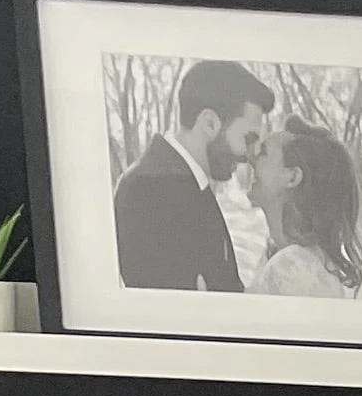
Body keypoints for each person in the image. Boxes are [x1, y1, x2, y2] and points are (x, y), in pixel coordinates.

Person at [112, 59, 269, 293]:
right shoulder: (148, 190)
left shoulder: (185, 183)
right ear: (209, 123)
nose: (250, 154)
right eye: (248, 139)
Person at [247, 119, 362, 300]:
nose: (252, 159)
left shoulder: (290, 267)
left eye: (263, 152)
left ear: (292, 177)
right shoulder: (290, 258)